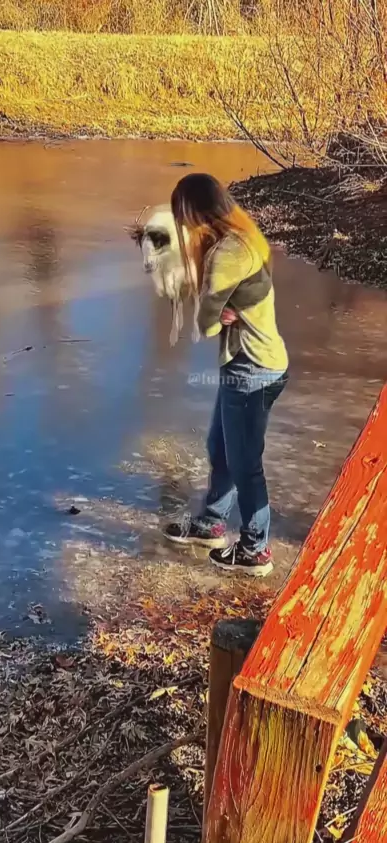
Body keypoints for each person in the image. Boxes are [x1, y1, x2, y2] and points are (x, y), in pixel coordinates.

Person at [163, 173, 288, 577]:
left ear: (196, 211)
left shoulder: (227, 253)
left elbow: (206, 324)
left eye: (182, 214)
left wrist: (219, 315)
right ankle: (211, 523)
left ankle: (255, 550)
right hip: (249, 365)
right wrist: (225, 312)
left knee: (244, 462)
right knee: (221, 448)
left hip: (253, 369)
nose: (182, 224)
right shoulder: (244, 236)